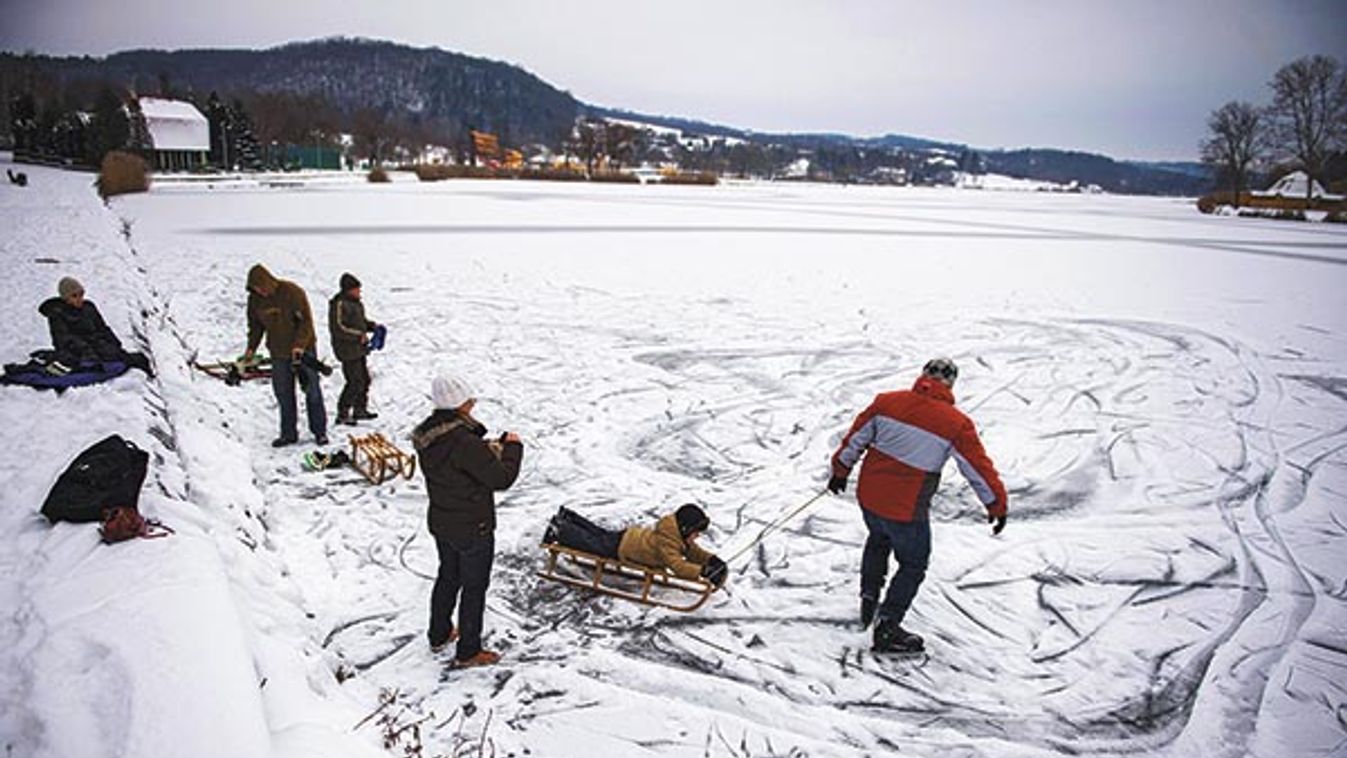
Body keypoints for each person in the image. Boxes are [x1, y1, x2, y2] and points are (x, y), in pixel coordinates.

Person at [829, 358, 1008, 653]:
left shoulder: (886, 402)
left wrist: (840, 471)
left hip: (870, 498)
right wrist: (996, 504)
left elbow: (855, 440)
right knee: (913, 564)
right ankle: (887, 627)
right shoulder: (956, 424)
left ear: (922, 376)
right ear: (951, 383)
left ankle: (869, 601)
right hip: (906, 508)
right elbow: (977, 468)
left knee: (878, 539)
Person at [412, 373, 523, 669]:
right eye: (469, 399)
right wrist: (513, 449)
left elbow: (459, 464)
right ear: (459, 404)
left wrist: (484, 449)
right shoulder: (463, 442)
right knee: (473, 586)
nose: (473, 403)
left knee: (448, 576)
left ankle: (439, 634)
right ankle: (468, 651)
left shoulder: (430, 435)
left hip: (443, 521)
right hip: (473, 526)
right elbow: (501, 478)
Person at [242, 264, 327, 447]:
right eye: (256, 289)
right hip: (278, 352)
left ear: (268, 282)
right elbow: (256, 327)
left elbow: (306, 323)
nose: (260, 291)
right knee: (283, 394)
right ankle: (288, 434)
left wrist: (299, 346)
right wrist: (251, 349)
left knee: (312, 390)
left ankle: (319, 432)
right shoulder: (255, 301)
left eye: (261, 287)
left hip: (304, 350)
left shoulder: (292, 292)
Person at [543, 504, 728, 588]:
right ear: (686, 529)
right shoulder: (668, 543)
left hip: (630, 537)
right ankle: (558, 531)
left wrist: (712, 560)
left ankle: (568, 517)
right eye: (696, 533)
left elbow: (694, 553)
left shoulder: (675, 536)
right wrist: (703, 572)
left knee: (598, 534)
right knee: (592, 543)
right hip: (624, 548)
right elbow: (677, 566)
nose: (697, 537)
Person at [39, 276, 153, 375]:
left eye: (81, 294)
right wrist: (86, 350)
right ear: (66, 298)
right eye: (74, 296)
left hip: (97, 346)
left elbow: (102, 328)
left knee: (136, 359)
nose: (79, 298)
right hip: (78, 351)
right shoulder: (57, 314)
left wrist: (115, 344)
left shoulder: (89, 307)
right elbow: (62, 339)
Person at [328, 272, 380, 426]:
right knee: (354, 382)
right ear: (348, 290)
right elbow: (338, 328)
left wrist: (372, 326)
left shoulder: (356, 303)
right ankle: (343, 413)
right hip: (347, 350)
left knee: (364, 379)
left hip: (359, 349)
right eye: (357, 289)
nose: (359, 292)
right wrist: (358, 335)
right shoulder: (339, 304)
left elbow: (360, 322)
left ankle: (360, 409)